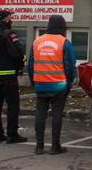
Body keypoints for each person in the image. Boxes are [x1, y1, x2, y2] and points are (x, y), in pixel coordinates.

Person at [27, 14, 75, 155]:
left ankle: (39, 146)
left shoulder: (37, 42)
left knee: (40, 114)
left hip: (40, 84)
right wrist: (70, 82)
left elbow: (30, 65)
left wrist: (33, 81)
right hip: (59, 85)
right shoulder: (64, 42)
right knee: (56, 114)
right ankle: (55, 146)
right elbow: (70, 66)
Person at [0, 9, 27, 144]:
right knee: (13, 105)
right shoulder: (8, 34)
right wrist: (22, 61)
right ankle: (12, 134)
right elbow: (16, 53)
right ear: (6, 20)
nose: (11, 20)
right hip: (9, 76)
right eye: (10, 18)